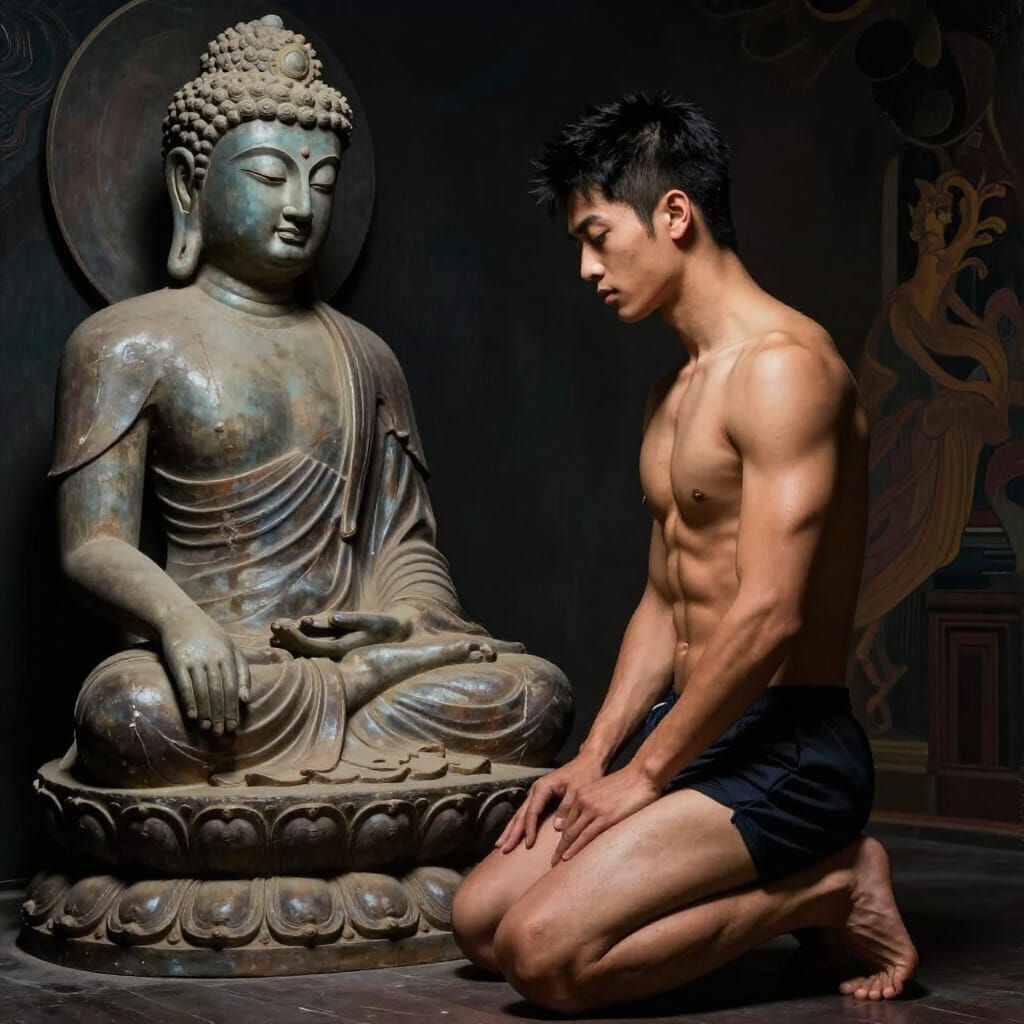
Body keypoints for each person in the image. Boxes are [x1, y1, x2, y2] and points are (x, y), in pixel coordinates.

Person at [450, 91, 918, 1013]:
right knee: (480, 922)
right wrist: (597, 757)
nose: (586, 268)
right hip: (697, 729)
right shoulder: (673, 395)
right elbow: (667, 597)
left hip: (791, 747)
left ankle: (830, 887)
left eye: (597, 235)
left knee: (543, 960)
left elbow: (772, 612)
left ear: (674, 214)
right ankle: (773, 879)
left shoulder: (788, 369)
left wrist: (646, 778)